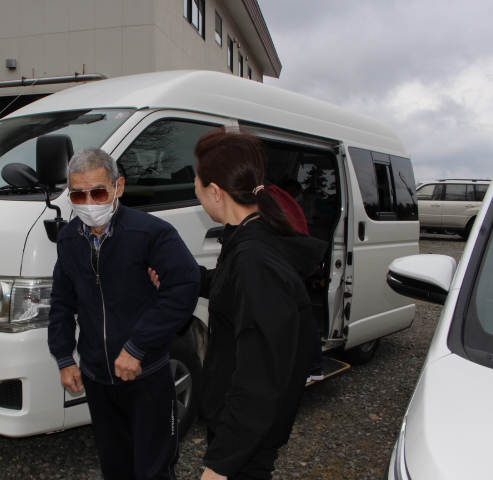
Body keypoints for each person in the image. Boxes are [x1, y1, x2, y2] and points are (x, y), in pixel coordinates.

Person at [47, 147, 200, 480]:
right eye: (78, 195)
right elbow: (61, 302)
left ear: (118, 187)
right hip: (97, 378)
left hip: (146, 375)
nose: (89, 203)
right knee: (115, 466)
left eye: (98, 192)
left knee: (154, 469)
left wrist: (137, 346)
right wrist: (64, 357)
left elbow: (183, 287)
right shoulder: (69, 239)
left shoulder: (151, 233)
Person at [193, 129, 328, 479]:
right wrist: (187, 279)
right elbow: (233, 289)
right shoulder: (252, 235)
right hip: (243, 433)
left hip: (246, 444)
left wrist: (220, 465)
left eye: (196, 182)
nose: (195, 190)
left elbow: (260, 376)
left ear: (215, 191)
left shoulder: (254, 259)